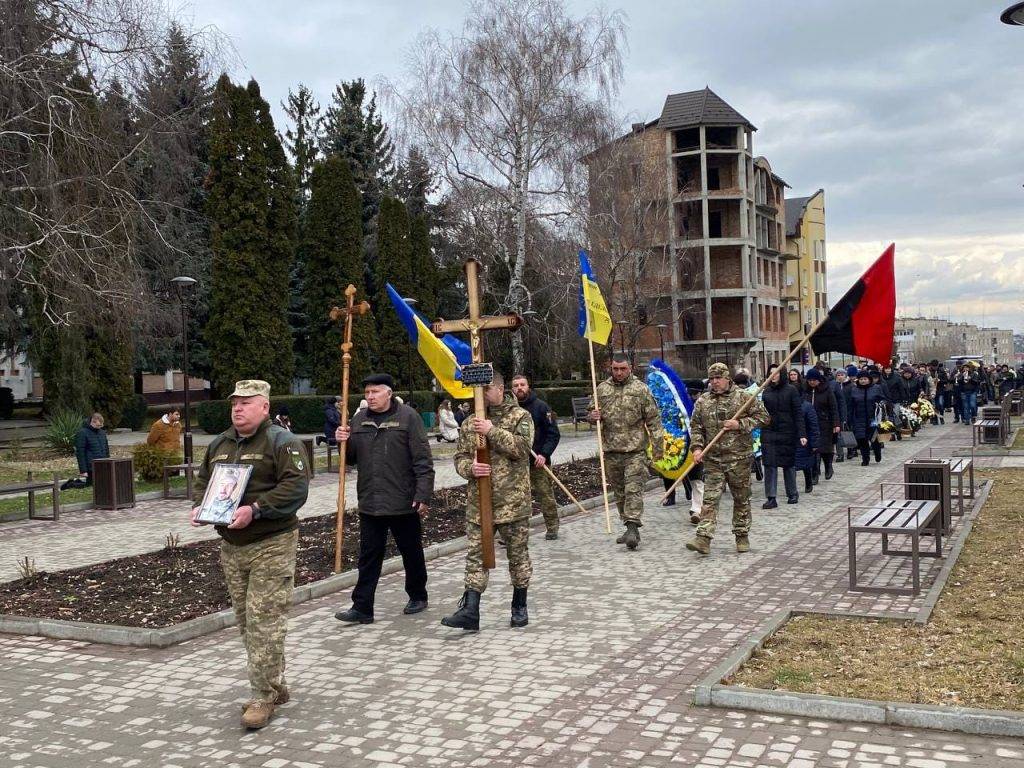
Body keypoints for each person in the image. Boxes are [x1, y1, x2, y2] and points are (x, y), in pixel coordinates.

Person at [190, 380, 311, 730]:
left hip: (271, 542)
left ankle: (263, 696)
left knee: (263, 622)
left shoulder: (280, 441)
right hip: (232, 546)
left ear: (264, 407)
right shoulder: (220, 443)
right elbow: (203, 481)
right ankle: (276, 684)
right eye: (234, 403)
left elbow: (296, 488)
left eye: (246, 403)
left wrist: (256, 510)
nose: (238, 409)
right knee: (247, 623)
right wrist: (200, 507)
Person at [333, 373, 434, 625]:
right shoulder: (358, 419)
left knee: (411, 552)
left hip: (403, 500)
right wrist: (342, 443)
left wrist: (423, 494)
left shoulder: (408, 417)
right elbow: (351, 459)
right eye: (367, 393)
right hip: (371, 501)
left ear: (388, 393)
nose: (370, 397)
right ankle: (362, 607)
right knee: (368, 556)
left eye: (375, 392)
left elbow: (423, 459)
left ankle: (417, 595)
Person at [441, 371, 534, 631]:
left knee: (517, 555)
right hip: (479, 501)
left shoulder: (520, 417)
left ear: (501, 388)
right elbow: (459, 456)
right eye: (478, 390)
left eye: (487, 388)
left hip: (512, 501)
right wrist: (469, 468)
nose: (482, 394)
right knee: (475, 556)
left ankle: (519, 604)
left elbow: (522, 449)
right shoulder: (470, 422)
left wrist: (493, 431)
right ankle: (470, 610)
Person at [684, 363, 770, 555]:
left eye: (718, 378)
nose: (714, 382)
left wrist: (740, 423)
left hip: (739, 458)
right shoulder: (703, 401)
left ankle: (741, 535)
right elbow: (696, 427)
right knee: (710, 499)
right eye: (712, 378)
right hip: (713, 459)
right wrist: (697, 448)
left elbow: (764, 418)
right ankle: (703, 538)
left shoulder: (743, 397)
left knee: (741, 498)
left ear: (727, 378)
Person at [588, 353, 664, 550]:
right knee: (620, 493)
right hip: (612, 450)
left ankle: (632, 527)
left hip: (635, 451)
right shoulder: (602, 390)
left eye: (623, 369)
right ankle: (630, 526)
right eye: (615, 369)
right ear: (610, 368)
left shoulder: (640, 389)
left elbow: (654, 421)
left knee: (633, 490)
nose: (619, 372)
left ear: (630, 368)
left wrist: (657, 448)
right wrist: (593, 416)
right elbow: (591, 414)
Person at [511, 374, 562, 539]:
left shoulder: (541, 407)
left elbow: (553, 434)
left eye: (522, 384)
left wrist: (544, 454)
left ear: (528, 386)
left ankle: (552, 527)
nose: (520, 388)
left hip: (538, 461)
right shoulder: (510, 410)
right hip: (517, 463)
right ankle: (516, 533)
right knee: (516, 499)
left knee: (545, 495)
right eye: (516, 385)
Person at [760, 365, 806, 508]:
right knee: (769, 465)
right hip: (769, 432)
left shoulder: (791, 390)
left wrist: (802, 433)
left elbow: (798, 413)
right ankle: (771, 497)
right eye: (770, 373)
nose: (773, 375)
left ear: (782, 374)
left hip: (787, 432)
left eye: (776, 373)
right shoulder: (766, 392)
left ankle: (792, 493)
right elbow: (761, 413)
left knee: (788, 464)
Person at [804, 369, 840, 481]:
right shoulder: (805, 391)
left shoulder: (827, 390)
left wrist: (836, 423)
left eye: (814, 380)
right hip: (810, 424)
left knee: (825, 448)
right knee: (813, 450)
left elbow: (834, 408)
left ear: (819, 380)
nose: (812, 382)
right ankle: (814, 473)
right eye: (810, 380)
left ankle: (828, 466)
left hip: (825, 423)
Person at [845, 370, 886, 465]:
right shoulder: (854, 390)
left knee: (874, 438)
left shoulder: (876, 388)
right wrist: (849, 418)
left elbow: (883, 399)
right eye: (861, 379)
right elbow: (851, 405)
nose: (863, 381)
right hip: (859, 418)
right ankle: (865, 459)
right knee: (862, 439)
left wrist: (882, 404)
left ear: (869, 379)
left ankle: (877, 452)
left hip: (873, 418)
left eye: (865, 379)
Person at [74, 412, 110, 486]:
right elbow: (80, 452)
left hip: (103, 464)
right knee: (91, 485)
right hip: (91, 466)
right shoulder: (82, 433)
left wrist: (108, 463)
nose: (100, 427)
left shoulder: (102, 433)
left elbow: (106, 449)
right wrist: (83, 470)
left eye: (101, 425)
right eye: (98, 425)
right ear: (92, 422)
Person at [794, 398, 820, 493]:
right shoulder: (786, 405)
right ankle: (792, 488)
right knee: (790, 466)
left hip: (804, 438)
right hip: (790, 438)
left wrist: (814, 442)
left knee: (805, 463)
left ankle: (808, 481)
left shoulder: (807, 406)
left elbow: (814, 425)